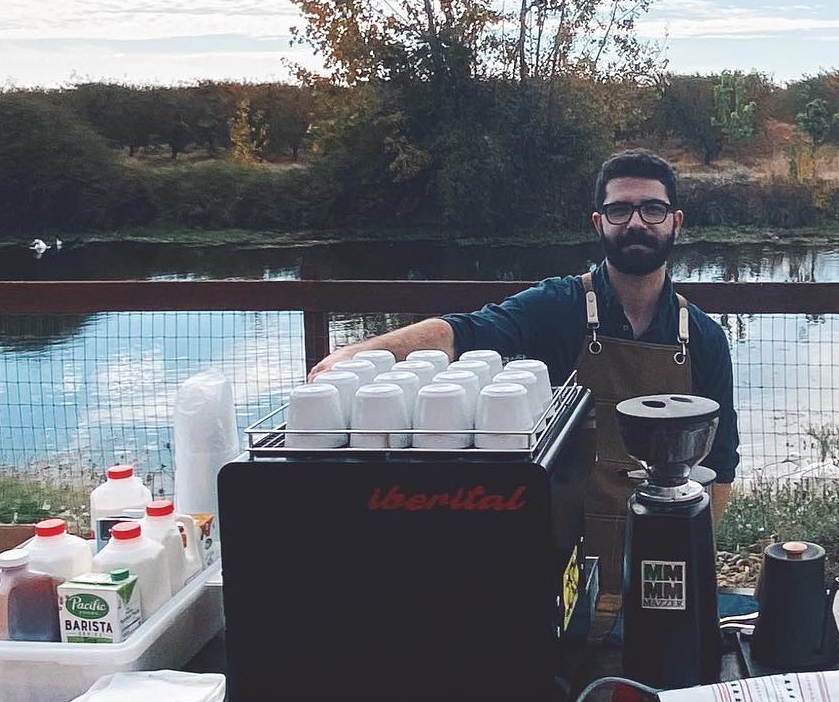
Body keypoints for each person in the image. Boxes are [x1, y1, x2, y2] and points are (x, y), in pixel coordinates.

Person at [311, 149, 738, 594]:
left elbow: (721, 463)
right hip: (561, 566)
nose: (635, 223)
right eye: (619, 210)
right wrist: (361, 353)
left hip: (663, 570)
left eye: (652, 209)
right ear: (598, 223)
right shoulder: (558, 305)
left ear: (676, 222)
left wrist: (692, 549)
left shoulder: (704, 337)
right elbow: (465, 332)